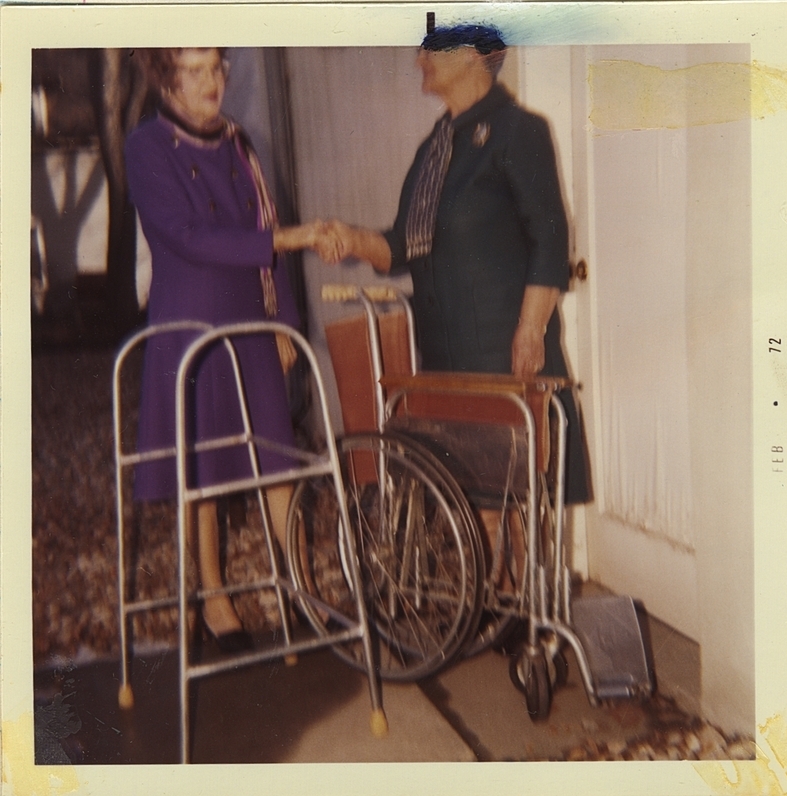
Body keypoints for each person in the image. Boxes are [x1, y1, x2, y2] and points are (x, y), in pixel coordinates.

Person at [324, 25, 590, 507]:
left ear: (473, 54)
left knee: (515, 498)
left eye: (432, 46)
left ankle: (516, 586)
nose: (418, 58)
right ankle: (491, 587)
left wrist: (531, 330)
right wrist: (352, 239)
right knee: (473, 499)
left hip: (504, 353)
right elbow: (403, 245)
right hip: (447, 357)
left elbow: (550, 240)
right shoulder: (435, 148)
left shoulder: (518, 131)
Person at [126, 47, 331, 652]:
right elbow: (188, 235)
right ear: (167, 81)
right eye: (195, 71)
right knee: (204, 469)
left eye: (217, 67)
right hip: (189, 326)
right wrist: (285, 238)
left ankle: (303, 590)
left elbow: (263, 218)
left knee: (276, 459)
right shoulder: (147, 146)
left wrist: (284, 319)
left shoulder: (240, 143)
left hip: (251, 319)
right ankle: (214, 599)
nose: (212, 81)